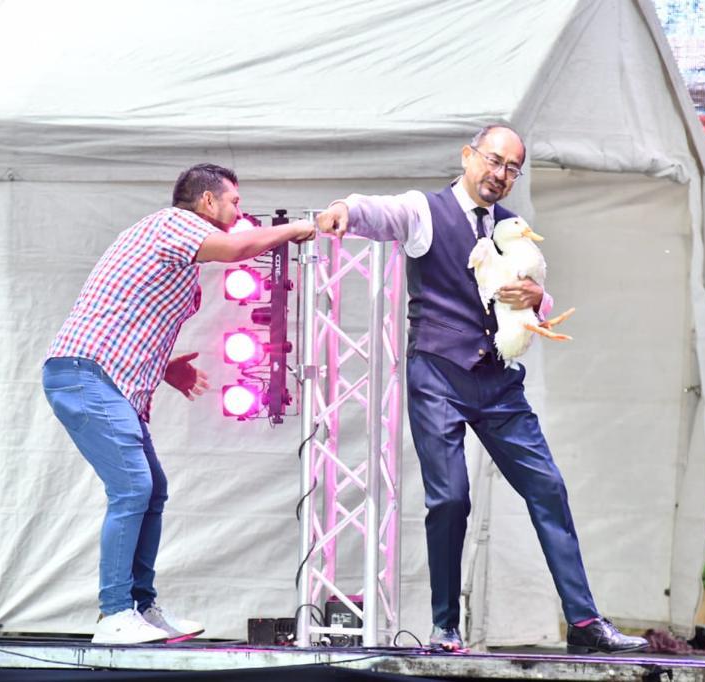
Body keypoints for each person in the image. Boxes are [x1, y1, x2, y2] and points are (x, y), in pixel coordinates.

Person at [315, 126, 648, 655]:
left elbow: (534, 303)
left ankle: (585, 623)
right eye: (494, 161)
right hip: (439, 374)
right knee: (451, 498)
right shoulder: (426, 211)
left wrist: (536, 296)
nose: (501, 175)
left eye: (512, 168)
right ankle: (445, 626)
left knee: (548, 488)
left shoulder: (510, 229)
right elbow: (380, 211)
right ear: (469, 156)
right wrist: (345, 209)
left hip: (497, 382)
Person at [43, 163, 316, 645]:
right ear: (207, 201)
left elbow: (130, 310)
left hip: (105, 378)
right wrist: (295, 229)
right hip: (84, 375)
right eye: (234, 201)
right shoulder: (174, 222)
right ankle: (113, 614)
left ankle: (141, 607)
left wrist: (167, 368)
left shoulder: (173, 245)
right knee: (133, 488)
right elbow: (236, 249)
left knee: (152, 490)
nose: (240, 212)